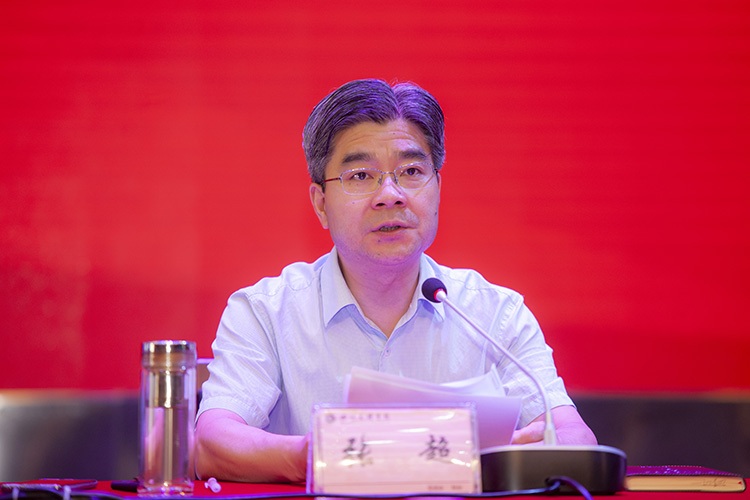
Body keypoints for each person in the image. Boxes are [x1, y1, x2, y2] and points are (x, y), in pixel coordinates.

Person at [195, 79, 597, 483]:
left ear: (437, 188)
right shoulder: (266, 311)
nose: (390, 194)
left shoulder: (495, 315)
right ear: (320, 204)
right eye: (360, 175)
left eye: (411, 171)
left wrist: (505, 457)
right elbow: (212, 443)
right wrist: (318, 455)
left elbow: (575, 439)